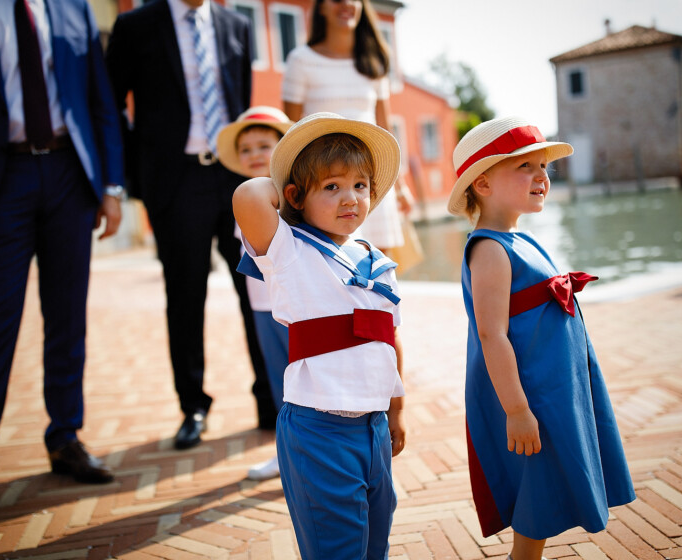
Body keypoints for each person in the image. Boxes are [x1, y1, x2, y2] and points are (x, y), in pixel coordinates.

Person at [0, 0, 125, 541]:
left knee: (67, 319)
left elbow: (98, 95)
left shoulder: (72, 5)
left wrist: (109, 186)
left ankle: (65, 438)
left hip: (68, 176)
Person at [448, 116, 636, 560]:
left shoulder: (519, 238)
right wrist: (516, 409)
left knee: (550, 480)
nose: (541, 177)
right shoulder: (490, 249)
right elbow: (491, 335)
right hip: (529, 391)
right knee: (537, 484)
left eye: (543, 167)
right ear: (483, 184)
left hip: (554, 385)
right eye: (524, 167)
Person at [105, 0, 278, 450]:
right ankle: (193, 407)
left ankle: (272, 400)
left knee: (261, 290)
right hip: (175, 182)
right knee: (185, 296)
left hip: (235, 176)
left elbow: (240, 102)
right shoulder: (135, 25)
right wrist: (137, 176)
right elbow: (110, 103)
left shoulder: (234, 24)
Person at [233, 112, 406, 559]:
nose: (350, 198)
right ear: (295, 196)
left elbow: (390, 342)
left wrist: (397, 412)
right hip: (319, 430)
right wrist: (292, 192)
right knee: (337, 549)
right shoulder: (289, 250)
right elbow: (249, 195)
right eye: (331, 186)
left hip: (374, 427)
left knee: (375, 544)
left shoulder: (379, 262)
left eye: (360, 186)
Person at [281, 0, 413, 254]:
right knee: (332, 268)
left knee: (377, 269)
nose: (346, 4)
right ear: (320, 7)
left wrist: (400, 186)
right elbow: (290, 131)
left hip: (369, 177)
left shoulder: (374, 60)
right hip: (327, 182)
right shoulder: (300, 60)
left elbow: (385, 126)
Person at [216, 106, 292, 480]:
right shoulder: (242, 198)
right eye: (246, 150)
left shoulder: (291, 196)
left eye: (264, 145)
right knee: (278, 379)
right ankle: (287, 454)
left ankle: (313, 454)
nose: (254, 155)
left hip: (295, 307)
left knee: (302, 380)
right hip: (262, 306)